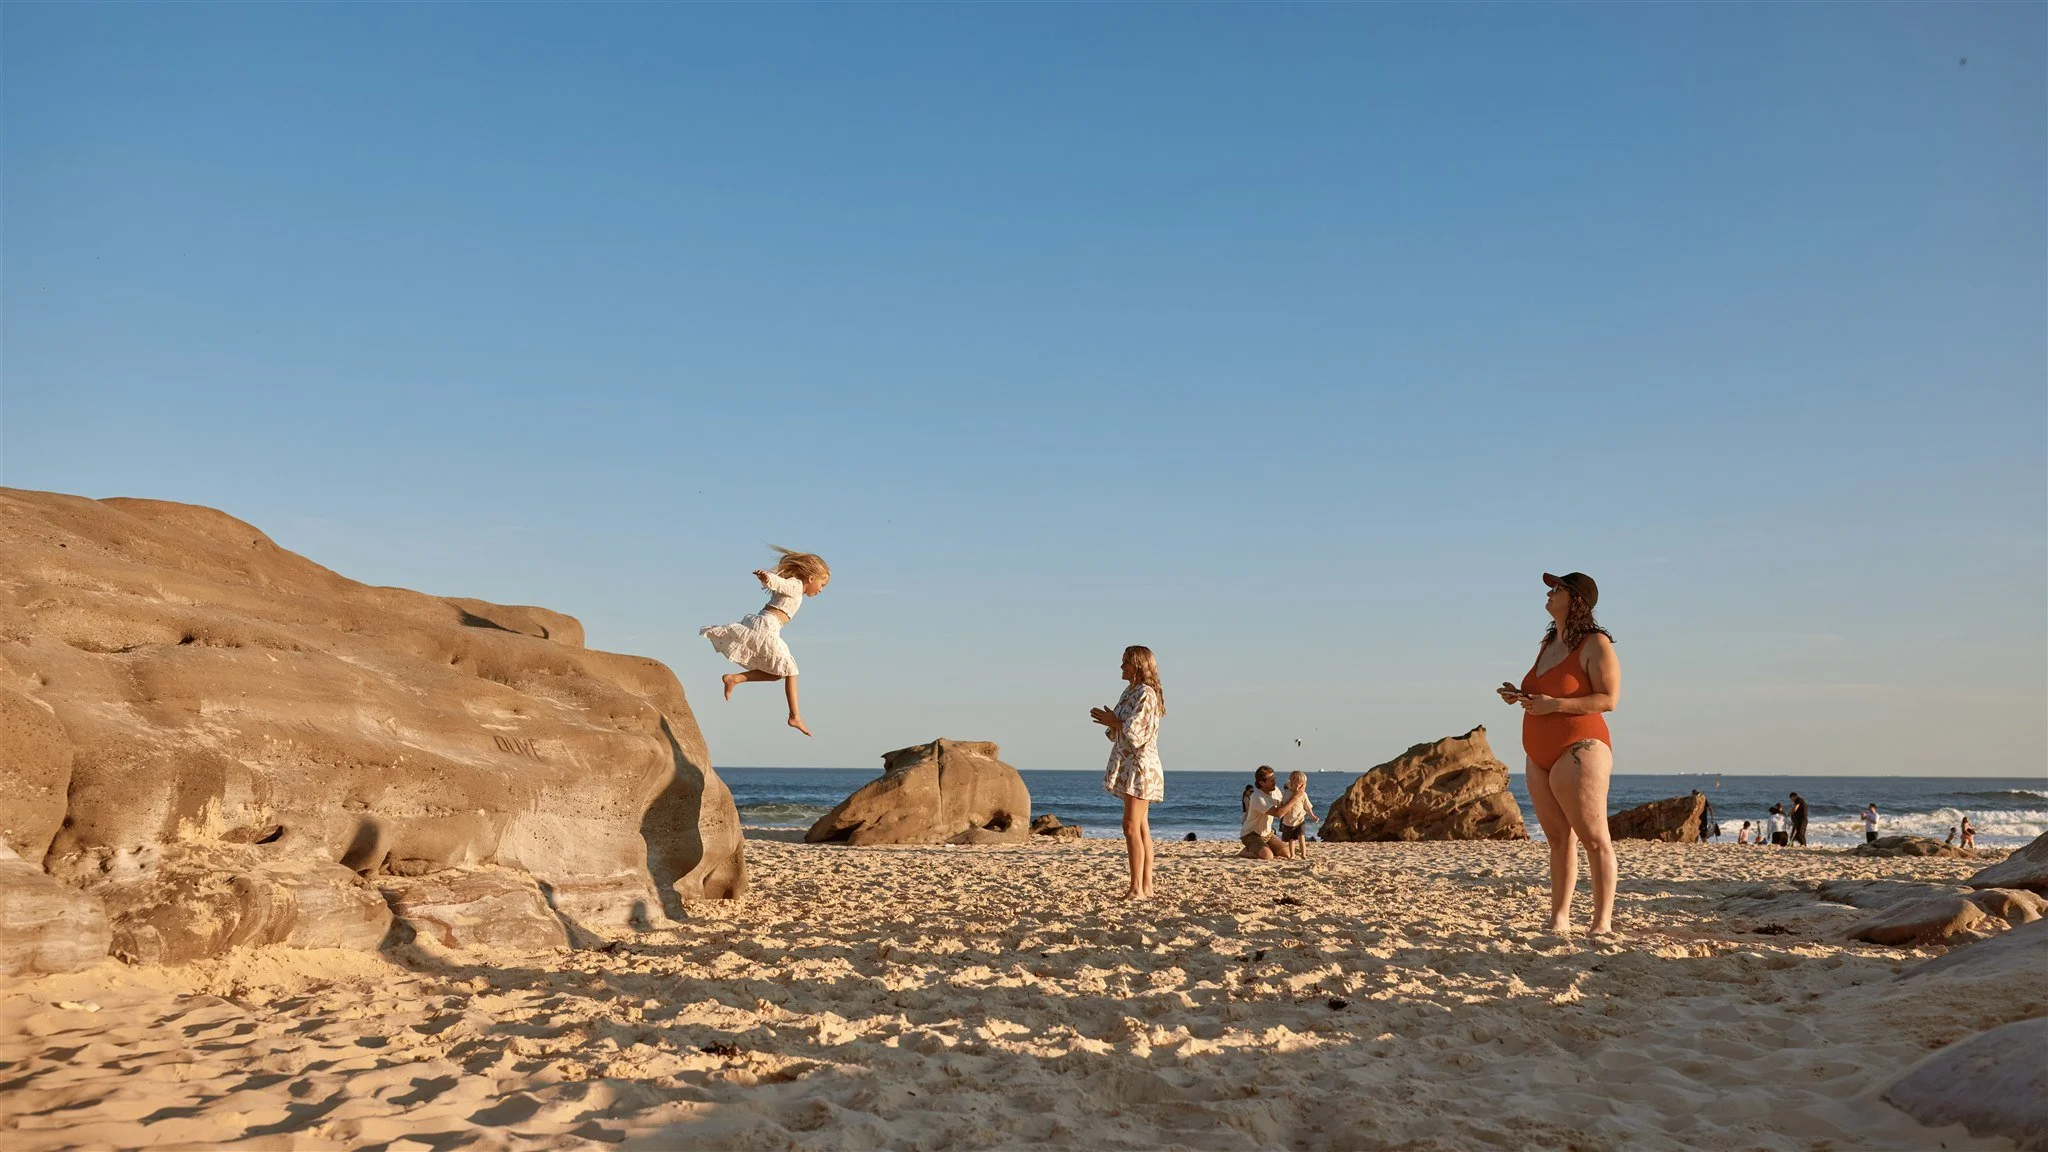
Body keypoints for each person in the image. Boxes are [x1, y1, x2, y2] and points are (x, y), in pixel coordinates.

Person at [1497, 571, 1621, 936]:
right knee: (1557, 840)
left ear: (1576, 599)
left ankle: (1601, 923)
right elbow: (1545, 693)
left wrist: (1555, 705)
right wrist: (1519, 695)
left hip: (1580, 748)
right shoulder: (1550, 640)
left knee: (1594, 839)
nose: (1549, 594)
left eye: (1557, 589)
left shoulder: (1595, 643)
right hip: (1539, 754)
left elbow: (1608, 699)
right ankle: (1559, 918)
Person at [701, 547, 831, 736]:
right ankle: (795, 717)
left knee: (779, 673)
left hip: (764, 625)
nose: (821, 590)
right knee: (791, 669)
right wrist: (768, 578)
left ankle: (734, 678)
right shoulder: (795, 585)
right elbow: (780, 584)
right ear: (811, 578)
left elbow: (781, 585)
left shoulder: (797, 589)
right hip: (766, 626)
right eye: (822, 584)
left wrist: (769, 579)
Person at [1093, 645, 1165, 899]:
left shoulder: (1146, 693)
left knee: (1131, 827)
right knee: (1141, 827)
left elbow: (1137, 733)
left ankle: (1137, 888)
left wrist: (1114, 721)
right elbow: (1118, 731)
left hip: (1140, 766)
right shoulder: (1130, 692)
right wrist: (1111, 722)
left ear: (1138, 665)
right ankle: (1146, 887)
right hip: (1130, 765)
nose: (1122, 667)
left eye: (1126, 662)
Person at [1238, 766, 1285, 860]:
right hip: (1251, 834)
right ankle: (1244, 852)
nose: (1274, 782)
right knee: (1268, 856)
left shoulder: (1275, 790)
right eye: (1271, 780)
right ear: (1261, 783)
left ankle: (1261, 848)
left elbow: (1282, 807)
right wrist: (1297, 796)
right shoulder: (1257, 797)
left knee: (1286, 853)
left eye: (1274, 779)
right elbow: (1278, 814)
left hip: (1267, 833)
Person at [1273, 771, 1319, 860]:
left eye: (1301, 785)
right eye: (1296, 784)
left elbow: (1307, 807)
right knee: (1291, 840)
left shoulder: (1303, 794)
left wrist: (1312, 816)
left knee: (1301, 837)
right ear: (1291, 783)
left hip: (1300, 820)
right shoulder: (1286, 793)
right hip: (1288, 821)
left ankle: (1303, 854)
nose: (1299, 787)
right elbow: (1282, 805)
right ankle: (1292, 855)